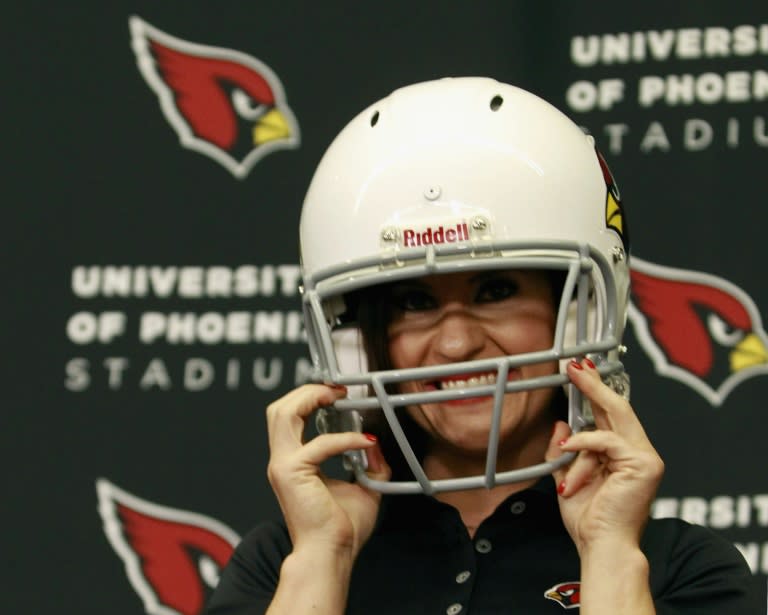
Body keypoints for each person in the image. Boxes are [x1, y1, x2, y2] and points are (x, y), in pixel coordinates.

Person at [205, 78, 759, 614]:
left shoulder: (680, 567)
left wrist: (610, 554)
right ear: (358, 344)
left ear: (578, 316)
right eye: (415, 303)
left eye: (496, 292)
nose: (455, 342)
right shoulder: (283, 562)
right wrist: (326, 558)